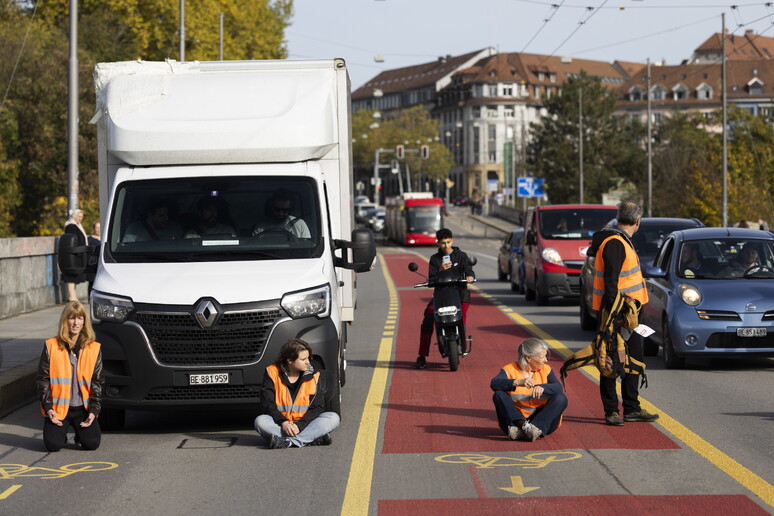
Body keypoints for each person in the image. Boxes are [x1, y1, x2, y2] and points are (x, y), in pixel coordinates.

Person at [587, 201, 658, 426]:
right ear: (637, 222)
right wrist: (617, 315)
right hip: (617, 313)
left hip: (630, 313)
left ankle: (631, 408)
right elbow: (611, 283)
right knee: (610, 362)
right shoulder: (616, 243)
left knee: (634, 359)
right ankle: (611, 411)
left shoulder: (619, 241)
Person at [36, 301, 103, 451]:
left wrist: (93, 411)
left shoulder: (94, 348)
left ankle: (80, 433)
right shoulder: (51, 346)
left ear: (84, 322)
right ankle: (62, 433)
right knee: (53, 445)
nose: (75, 323)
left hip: (82, 409)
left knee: (92, 443)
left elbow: (97, 382)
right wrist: (48, 408)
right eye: (72, 318)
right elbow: (43, 379)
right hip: (58, 408)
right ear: (65, 320)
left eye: (80, 318)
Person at [254, 339, 339, 449]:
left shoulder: (314, 376)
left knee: (333, 418)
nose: (308, 362)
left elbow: (317, 408)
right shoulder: (272, 373)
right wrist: (284, 422)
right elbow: (268, 404)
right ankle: (310, 439)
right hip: (280, 424)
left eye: (308, 358)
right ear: (290, 360)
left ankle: (288, 442)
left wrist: (299, 426)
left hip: (305, 424)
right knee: (260, 421)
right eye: (303, 359)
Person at [414, 228, 475, 369]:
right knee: (428, 320)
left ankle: (461, 339)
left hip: (460, 293)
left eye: (448, 242)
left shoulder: (462, 256)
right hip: (441, 295)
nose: (446, 246)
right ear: (438, 243)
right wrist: (440, 270)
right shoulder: (435, 259)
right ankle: (422, 356)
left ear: (452, 240)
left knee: (462, 315)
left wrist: (469, 276)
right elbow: (432, 278)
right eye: (443, 243)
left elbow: (469, 270)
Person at [490, 338, 567, 441]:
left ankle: (530, 429)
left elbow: (558, 388)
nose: (546, 360)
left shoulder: (546, 369)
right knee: (498, 394)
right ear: (529, 358)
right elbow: (494, 383)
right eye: (542, 357)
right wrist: (517, 382)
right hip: (515, 421)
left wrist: (543, 387)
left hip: (541, 421)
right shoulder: (509, 369)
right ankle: (525, 428)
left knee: (561, 398)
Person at [62, 209, 88, 302]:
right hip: (73, 255)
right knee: (71, 276)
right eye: (78, 216)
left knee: (75, 277)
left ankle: (73, 296)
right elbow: (72, 240)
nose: (80, 219)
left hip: (76, 254)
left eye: (81, 217)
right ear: (74, 216)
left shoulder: (77, 225)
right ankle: (71, 296)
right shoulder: (71, 226)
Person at [86, 221, 101, 294]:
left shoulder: (104, 238)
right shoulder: (90, 239)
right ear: (94, 229)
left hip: (101, 263)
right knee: (92, 281)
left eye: (100, 228)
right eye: (97, 228)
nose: (98, 230)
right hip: (93, 263)